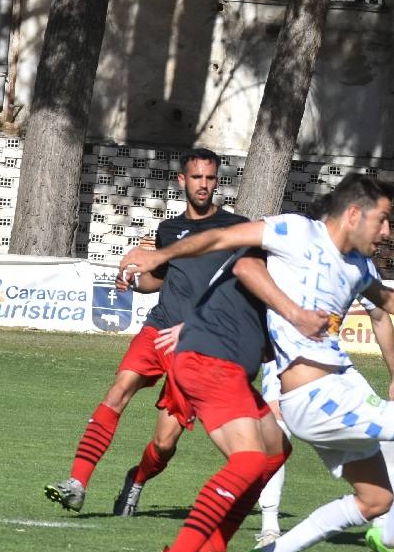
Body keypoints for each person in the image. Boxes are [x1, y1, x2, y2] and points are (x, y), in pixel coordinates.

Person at [121, 174, 394, 552]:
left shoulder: (356, 265)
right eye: (383, 220)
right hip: (285, 383)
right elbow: (228, 248)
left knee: (349, 486)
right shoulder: (293, 233)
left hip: (296, 377)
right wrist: (159, 256)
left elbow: (386, 299)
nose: (389, 233)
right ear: (354, 214)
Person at [43, 149, 247, 516]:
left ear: (218, 181)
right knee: (119, 387)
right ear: (182, 181)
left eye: (211, 178)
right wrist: (134, 280)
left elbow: (238, 289)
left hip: (199, 346)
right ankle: (77, 483)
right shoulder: (168, 230)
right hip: (159, 327)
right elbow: (160, 280)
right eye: (197, 177)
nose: (204, 185)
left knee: (165, 443)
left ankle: (136, 479)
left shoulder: (236, 228)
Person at [144, 247, 328, 552]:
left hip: (227, 367)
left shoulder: (310, 270)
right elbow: (240, 261)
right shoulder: (285, 248)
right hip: (210, 363)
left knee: (275, 451)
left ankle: (212, 551)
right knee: (247, 462)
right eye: (380, 221)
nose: (384, 234)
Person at [254, 300, 394, 547]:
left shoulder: (359, 264)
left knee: (386, 431)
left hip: (336, 364)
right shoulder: (282, 264)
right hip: (284, 361)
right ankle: (269, 528)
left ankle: (385, 526)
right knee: (276, 435)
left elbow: (380, 315)